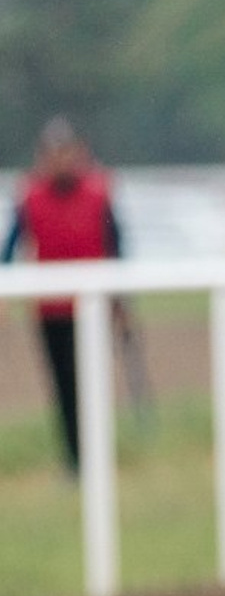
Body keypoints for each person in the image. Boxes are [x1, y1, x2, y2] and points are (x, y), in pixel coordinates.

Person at [5, 119, 123, 473]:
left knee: (93, 384)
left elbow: (117, 246)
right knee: (64, 387)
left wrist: (121, 298)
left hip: (94, 305)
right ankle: (74, 460)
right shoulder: (31, 197)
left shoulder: (99, 193)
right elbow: (10, 248)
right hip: (51, 307)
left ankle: (99, 455)